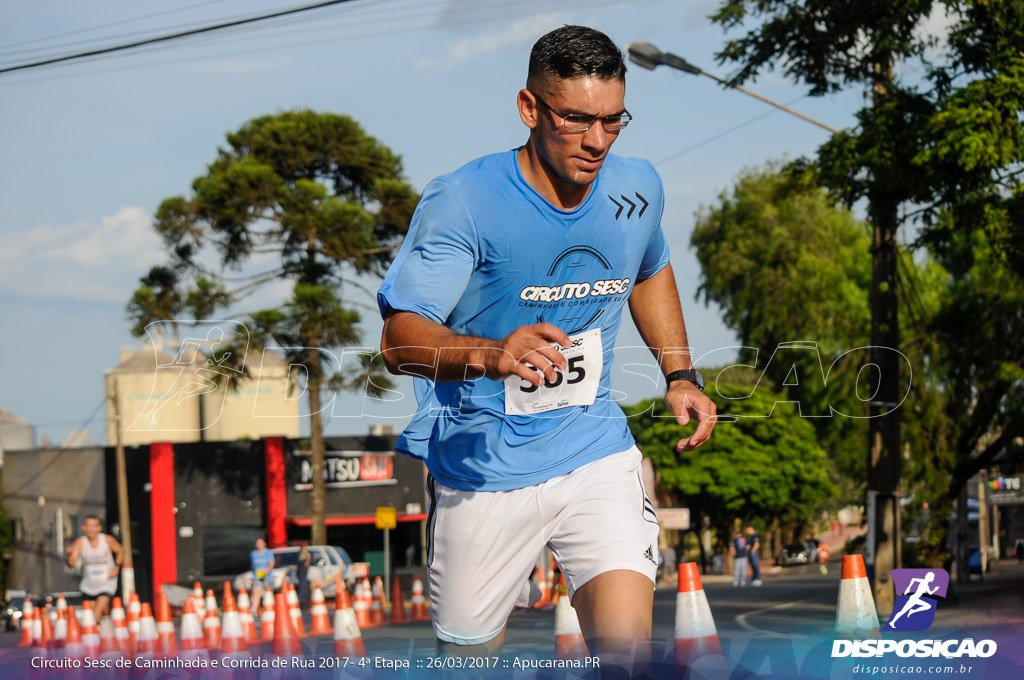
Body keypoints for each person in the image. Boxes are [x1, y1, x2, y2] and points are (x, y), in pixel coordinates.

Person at [377, 24, 716, 672]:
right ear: (530, 108)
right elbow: (398, 340)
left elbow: (649, 267)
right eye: (577, 120)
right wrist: (490, 353)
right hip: (482, 471)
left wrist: (681, 373)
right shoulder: (466, 202)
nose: (597, 141)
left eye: (613, 121)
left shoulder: (636, 189)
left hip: (594, 451)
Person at [66, 515, 123, 617]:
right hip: (88, 586)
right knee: (91, 617)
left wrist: (117, 567)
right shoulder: (80, 542)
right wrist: (70, 557)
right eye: (88, 526)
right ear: (83, 527)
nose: (91, 529)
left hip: (106, 584)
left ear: (99, 528)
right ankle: (102, 629)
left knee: (95, 615)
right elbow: (71, 563)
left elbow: (121, 551)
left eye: (94, 526)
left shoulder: (107, 540)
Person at [296, 542, 311, 608]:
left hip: (306, 574)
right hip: (302, 573)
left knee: (306, 589)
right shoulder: (301, 554)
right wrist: (306, 557)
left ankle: (305, 603)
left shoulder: (307, 554)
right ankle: (302, 603)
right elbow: (302, 561)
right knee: (302, 589)